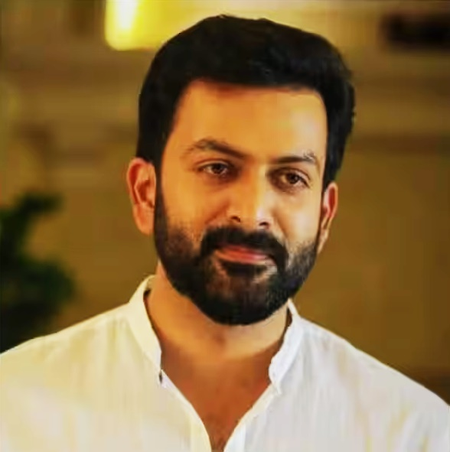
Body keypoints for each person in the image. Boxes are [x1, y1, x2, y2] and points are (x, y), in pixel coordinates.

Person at [0, 15, 448, 452]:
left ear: (324, 215)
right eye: (217, 168)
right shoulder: (13, 408)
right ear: (145, 193)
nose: (251, 214)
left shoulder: (414, 434)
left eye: (290, 177)